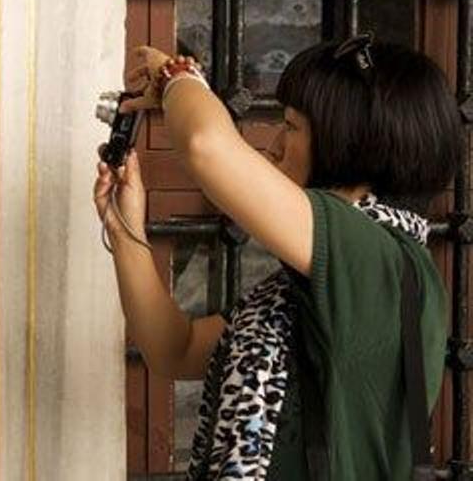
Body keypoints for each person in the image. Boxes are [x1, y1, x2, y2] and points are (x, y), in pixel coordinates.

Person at [94, 37, 465, 479]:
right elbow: (176, 349)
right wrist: (125, 228)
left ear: (345, 141)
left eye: (290, 126)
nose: (273, 145)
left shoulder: (376, 257)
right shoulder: (305, 289)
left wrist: (176, 76)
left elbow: (206, 146)